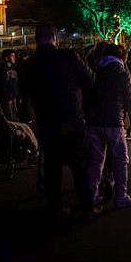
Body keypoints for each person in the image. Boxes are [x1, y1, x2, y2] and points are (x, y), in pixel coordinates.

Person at [18, 22, 95, 226]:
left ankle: (56, 209)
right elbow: (90, 80)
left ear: (36, 39)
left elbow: (24, 92)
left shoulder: (29, 64)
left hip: (47, 123)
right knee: (79, 166)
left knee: (53, 169)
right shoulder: (69, 57)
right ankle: (87, 207)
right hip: (73, 120)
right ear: (54, 37)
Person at [87, 43, 131, 211]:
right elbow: (130, 100)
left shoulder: (97, 71)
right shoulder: (122, 73)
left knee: (96, 160)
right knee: (121, 159)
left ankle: (92, 196)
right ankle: (121, 196)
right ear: (122, 58)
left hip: (94, 122)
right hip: (114, 122)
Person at [0, 49, 19, 121]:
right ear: (6, 58)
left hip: (13, 95)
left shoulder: (13, 67)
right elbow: (2, 83)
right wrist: (6, 95)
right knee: (9, 115)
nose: (14, 58)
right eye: (12, 56)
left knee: (15, 113)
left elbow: (15, 82)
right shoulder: (3, 69)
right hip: (7, 96)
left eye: (14, 56)